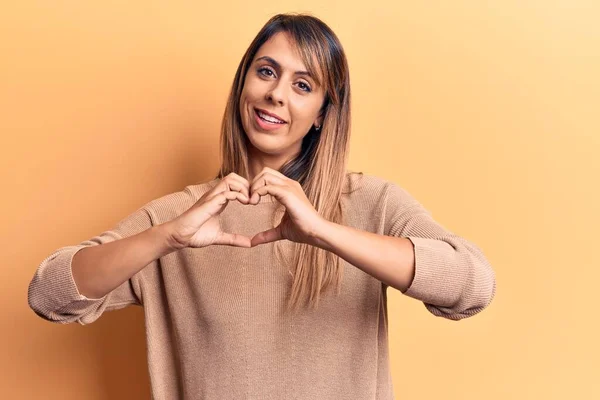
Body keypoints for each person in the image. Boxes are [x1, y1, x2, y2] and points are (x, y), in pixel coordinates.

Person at [28, 13, 496, 400]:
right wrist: (167, 237)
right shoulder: (183, 217)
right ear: (244, 85)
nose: (276, 94)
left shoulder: (371, 202)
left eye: (303, 85)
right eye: (267, 72)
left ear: (322, 113)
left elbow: (472, 285)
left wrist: (322, 230)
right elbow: (49, 295)